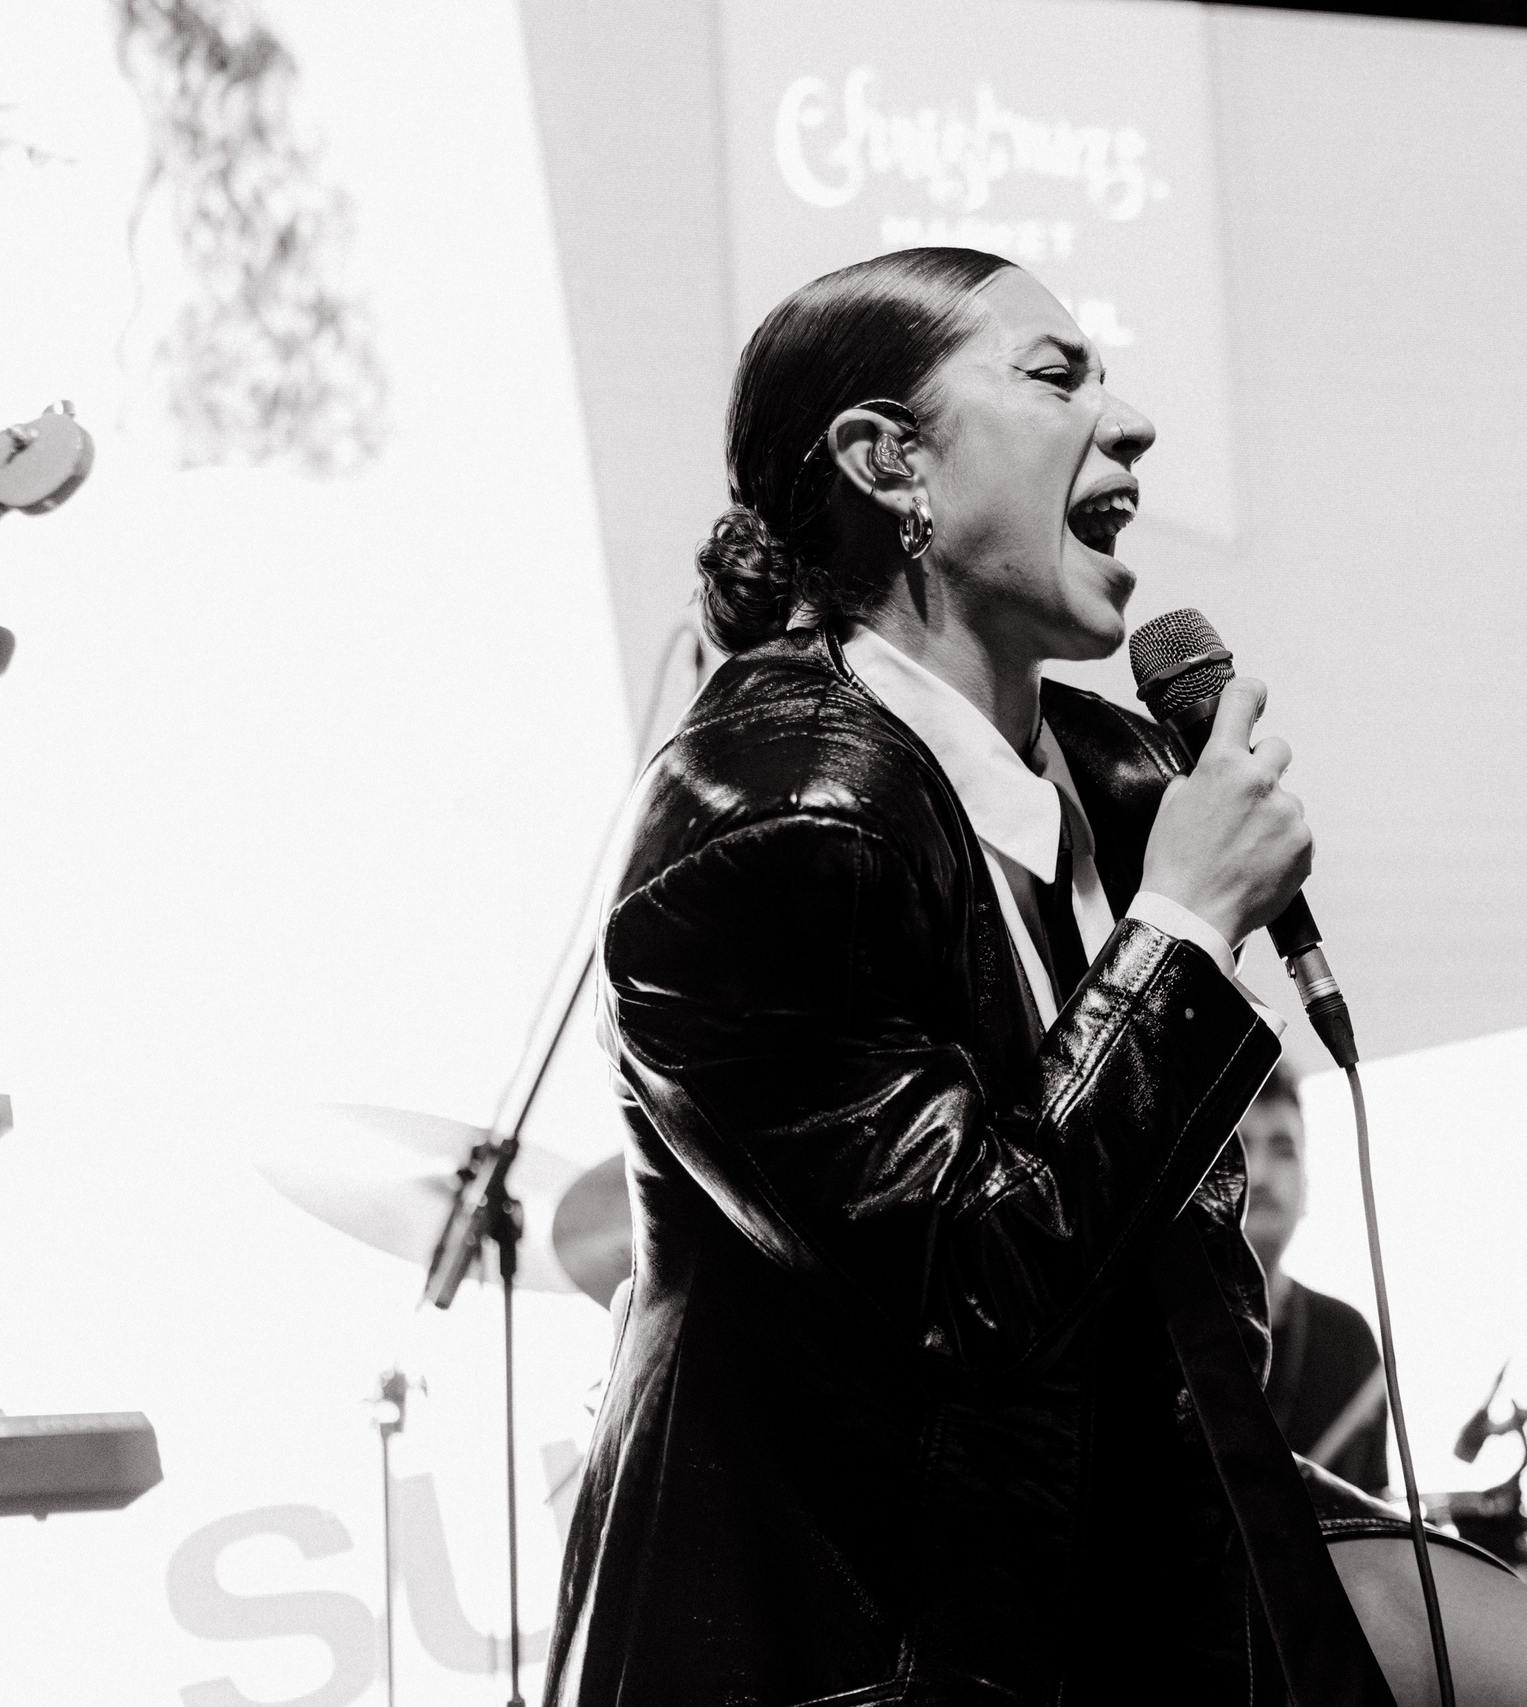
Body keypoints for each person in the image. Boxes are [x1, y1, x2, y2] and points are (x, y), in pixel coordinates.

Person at [541, 248, 1397, 1707]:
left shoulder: (1118, 777)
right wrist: (1183, 927)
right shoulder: (773, 816)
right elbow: (972, 1286)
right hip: (855, 1656)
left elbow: (1167, 1310)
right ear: (889, 464)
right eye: (1058, 377)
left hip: (1110, 1584)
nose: (1129, 426)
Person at [1240, 1063, 1389, 1492]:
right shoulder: (1154, 1329)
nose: (1262, 1176)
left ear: (1307, 1187)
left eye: (1283, 1149)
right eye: (1241, 1148)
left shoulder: (1348, 1338)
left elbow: (1375, 1538)